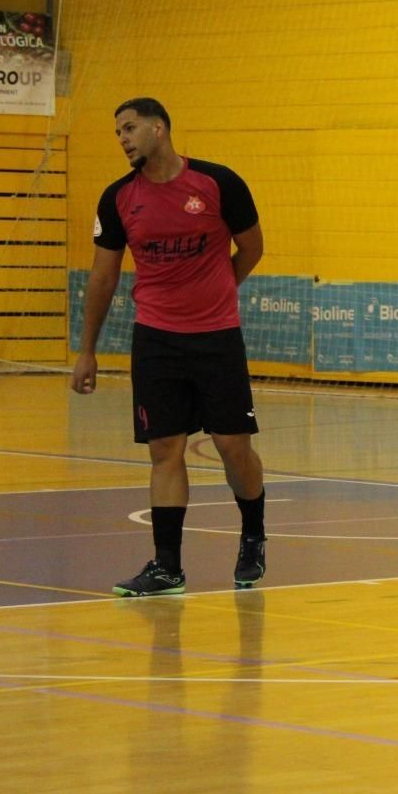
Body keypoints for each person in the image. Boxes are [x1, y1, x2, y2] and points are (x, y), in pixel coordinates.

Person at [71, 98, 269, 596]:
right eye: (118, 132)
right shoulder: (118, 198)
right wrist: (87, 349)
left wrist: (223, 286)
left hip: (217, 336)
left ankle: (253, 533)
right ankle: (167, 566)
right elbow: (103, 275)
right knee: (164, 449)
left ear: (160, 128)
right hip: (156, 338)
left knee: (232, 445)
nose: (123, 138)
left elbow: (252, 247)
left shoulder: (218, 183)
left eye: (130, 128)